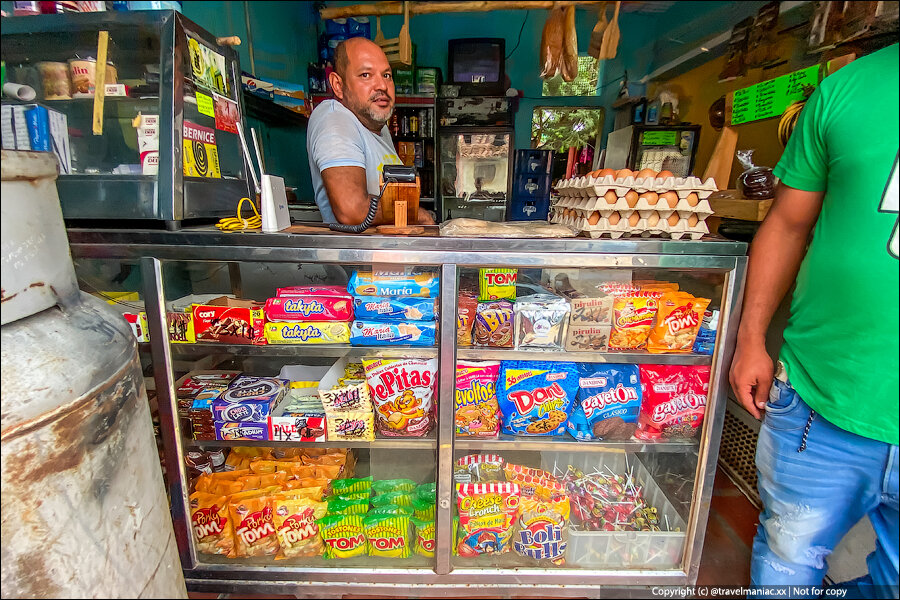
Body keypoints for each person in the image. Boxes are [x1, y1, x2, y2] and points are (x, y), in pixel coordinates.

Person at [729, 44, 898, 597]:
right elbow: (786, 224)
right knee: (787, 561)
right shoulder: (849, 88)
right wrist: (750, 337)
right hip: (819, 398)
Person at [306, 37, 434, 226]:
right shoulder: (335, 119)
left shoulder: (378, 129)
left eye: (386, 75)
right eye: (366, 75)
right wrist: (419, 215)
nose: (382, 86)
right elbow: (352, 210)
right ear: (338, 85)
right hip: (357, 255)